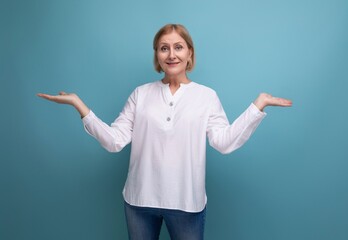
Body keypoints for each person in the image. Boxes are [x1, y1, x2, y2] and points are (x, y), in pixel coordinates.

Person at [37, 24, 292, 240]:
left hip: (186, 203)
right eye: (164, 48)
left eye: (178, 47)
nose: (172, 54)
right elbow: (115, 141)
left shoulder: (206, 96)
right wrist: (79, 105)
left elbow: (223, 142)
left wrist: (258, 105)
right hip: (139, 202)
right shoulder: (141, 94)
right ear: (157, 55)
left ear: (189, 53)